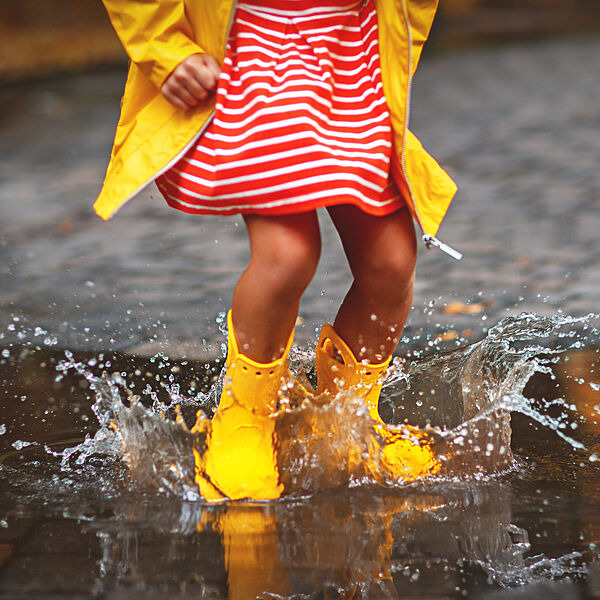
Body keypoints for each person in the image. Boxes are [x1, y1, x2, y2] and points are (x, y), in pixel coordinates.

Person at [98, 0, 458, 501]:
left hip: (348, 56)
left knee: (391, 261)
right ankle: (244, 417)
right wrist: (165, 49)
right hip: (252, 59)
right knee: (288, 254)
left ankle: (345, 419)